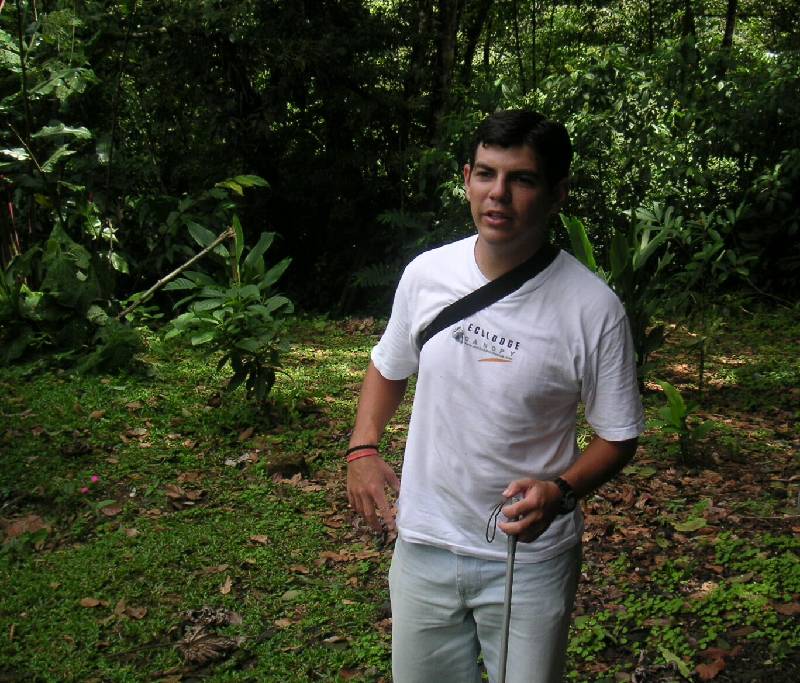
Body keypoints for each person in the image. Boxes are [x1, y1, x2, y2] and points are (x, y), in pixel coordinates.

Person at [346, 109, 644, 683]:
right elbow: (388, 366)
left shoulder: (592, 307)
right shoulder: (427, 275)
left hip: (527, 559)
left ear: (557, 193)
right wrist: (362, 449)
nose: (498, 194)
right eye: (486, 174)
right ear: (466, 178)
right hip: (425, 540)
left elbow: (619, 435)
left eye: (522, 179)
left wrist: (560, 491)